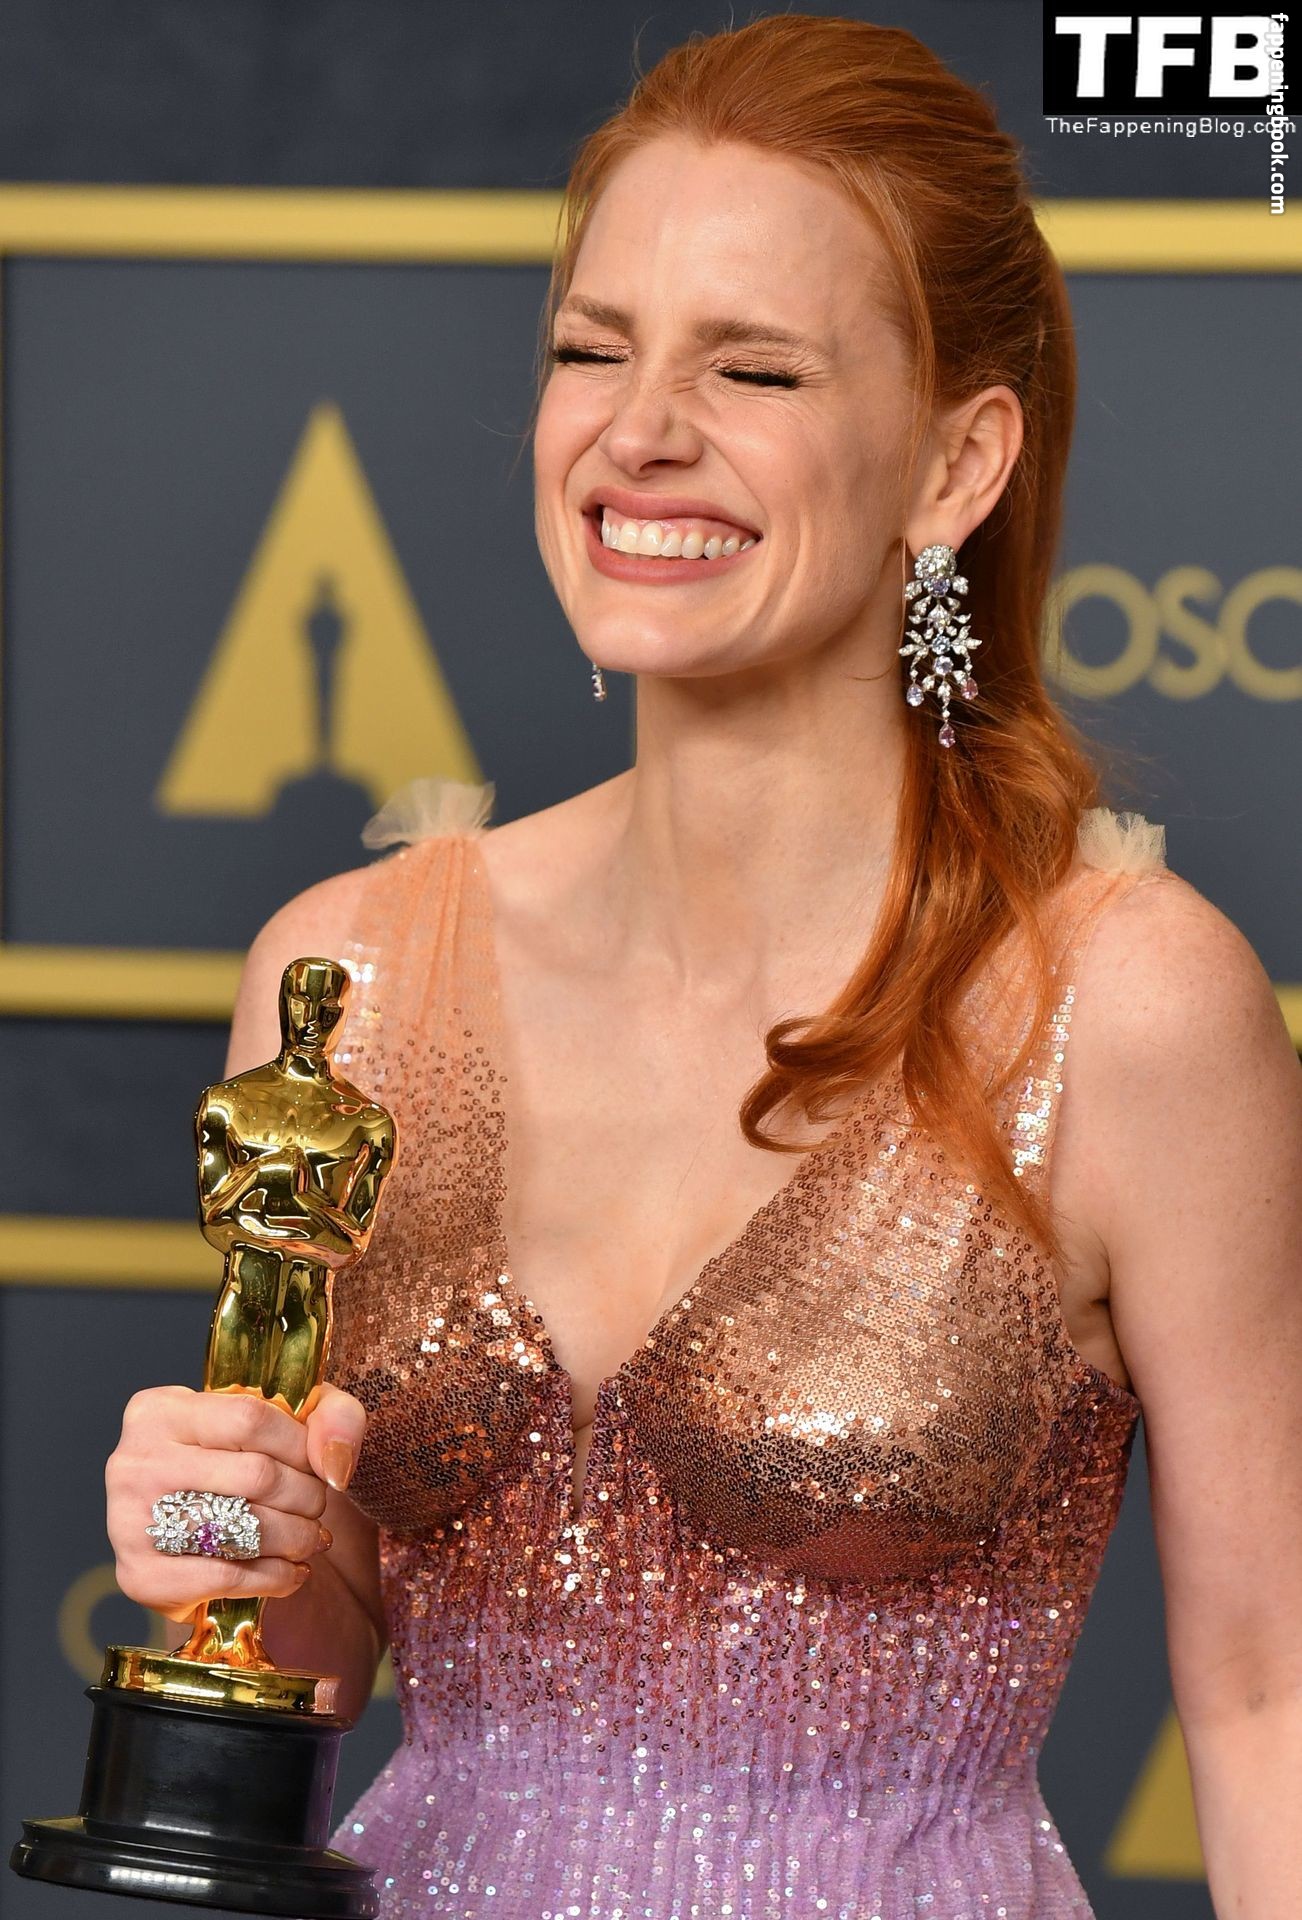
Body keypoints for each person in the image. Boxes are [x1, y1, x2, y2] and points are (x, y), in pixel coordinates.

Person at [105, 14, 1302, 1918]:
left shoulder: (1127, 1005)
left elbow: (1264, 1702)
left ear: (954, 463)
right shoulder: (345, 980)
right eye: (593, 349)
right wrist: (205, 1526)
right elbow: (297, 1667)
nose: (638, 429)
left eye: (751, 367)